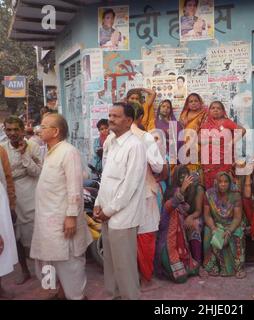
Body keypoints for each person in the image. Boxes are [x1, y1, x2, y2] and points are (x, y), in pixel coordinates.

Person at [30, 113, 92, 300]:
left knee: (70, 264)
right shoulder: (49, 151)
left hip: (63, 222)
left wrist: (71, 216)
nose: (39, 130)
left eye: (43, 126)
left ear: (55, 131)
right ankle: (58, 293)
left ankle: (76, 297)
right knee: (48, 261)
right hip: (48, 222)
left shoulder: (68, 151)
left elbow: (75, 187)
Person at [94, 102, 147, 300]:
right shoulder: (111, 142)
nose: (111, 119)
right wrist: (99, 203)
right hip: (108, 214)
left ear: (129, 121)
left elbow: (129, 186)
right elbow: (106, 177)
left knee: (124, 267)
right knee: (111, 264)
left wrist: (109, 210)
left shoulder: (135, 146)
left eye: (116, 116)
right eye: (110, 115)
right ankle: (113, 296)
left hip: (123, 217)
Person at [2, 116, 43, 285]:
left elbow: (37, 172)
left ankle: (43, 272)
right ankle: (24, 270)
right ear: (4, 130)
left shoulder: (33, 146)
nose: (12, 133)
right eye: (9, 129)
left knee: (36, 233)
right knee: (14, 234)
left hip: (30, 192)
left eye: (15, 129)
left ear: (21, 130)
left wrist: (23, 153)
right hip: (9, 195)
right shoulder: (2, 149)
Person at [129, 103, 164, 288]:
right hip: (143, 193)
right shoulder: (145, 137)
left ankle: (131, 279)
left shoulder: (111, 138)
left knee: (128, 238)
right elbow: (158, 166)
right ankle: (146, 279)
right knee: (145, 235)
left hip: (121, 197)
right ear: (141, 117)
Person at [154, 165, 204, 283]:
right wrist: (181, 190)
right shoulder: (169, 204)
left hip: (181, 244)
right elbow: (173, 202)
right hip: (168, 245)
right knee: (181, 278)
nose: (184, 181)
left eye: (186, 177)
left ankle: (192, 266)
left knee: (193, 270)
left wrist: (190, 218)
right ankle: (170, 269)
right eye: (181, 178)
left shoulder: (184, 204)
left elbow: (189, 210)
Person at [203, 172, 246, 278]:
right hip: (217, 224)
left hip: (233, 224)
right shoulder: (209, 194)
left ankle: (238, 268)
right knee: (210, 233)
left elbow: (237, 218)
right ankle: (214, 266)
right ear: (216, 182)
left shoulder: (235, 195)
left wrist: (229, 231)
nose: (223, 184)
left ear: (229, 183)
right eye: (220, 181)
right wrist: (213, 228)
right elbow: (207, 216)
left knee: (238, 234)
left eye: (226, 182)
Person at [200, 101, 246, 190]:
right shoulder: (206, 124)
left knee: (224, 181)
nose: (215, 110)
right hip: (209, 160)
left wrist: (231, 143)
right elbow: (199, 139)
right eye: (213, 108)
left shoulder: (226, 122)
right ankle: (212, 203)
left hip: (224, 158)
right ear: (209, 111)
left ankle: (226, 202)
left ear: (223, 111)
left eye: (218, 108)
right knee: (210, 184)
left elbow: (242, 130)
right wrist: (209, 141)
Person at [0, 145, 18, 299]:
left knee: (1, 245)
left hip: (0, 200)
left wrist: (11, 203)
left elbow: (7, 177)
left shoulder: (0, 150)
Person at [179, 93, 208, 175]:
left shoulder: (204, 114)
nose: (193, 103)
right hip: (184, 144)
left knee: (197, 169)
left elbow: (205, 130)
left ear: (200, 102)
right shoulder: (184, 114)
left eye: (196, 101)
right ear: (187, 104)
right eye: (191, 101)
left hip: (198, 144)